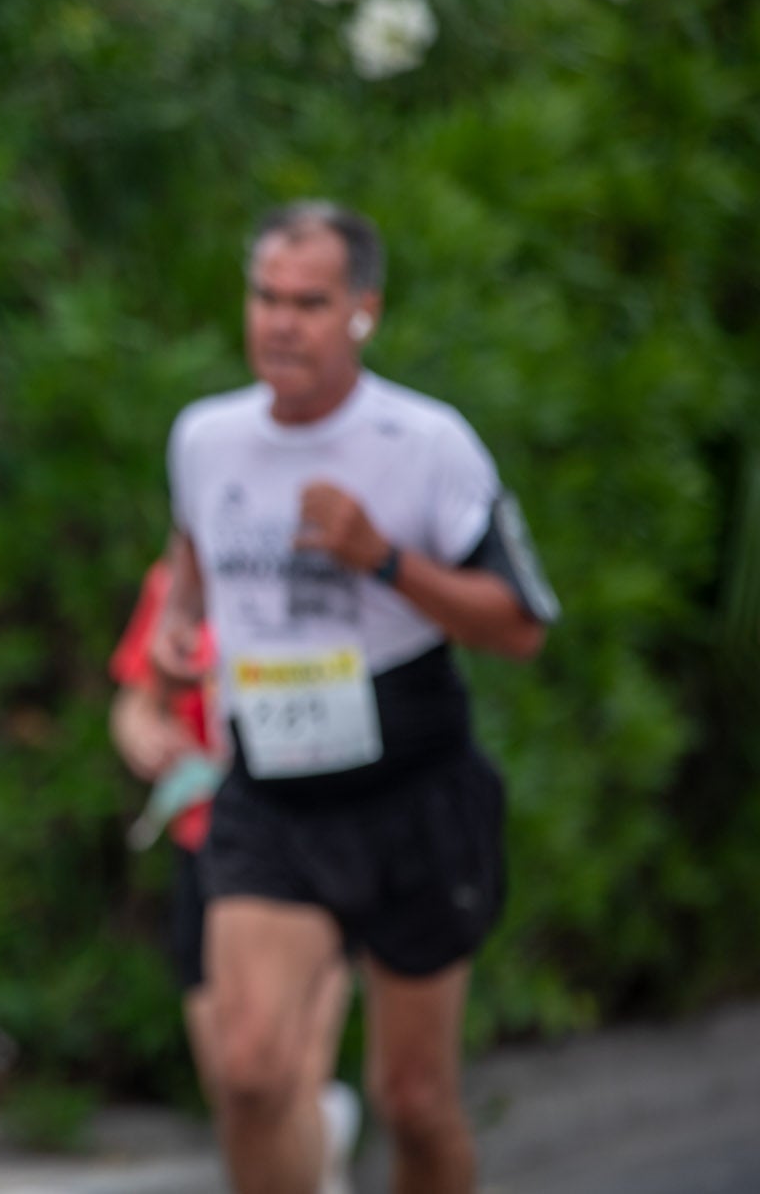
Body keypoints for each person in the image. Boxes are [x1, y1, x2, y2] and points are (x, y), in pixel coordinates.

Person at [153, 201, 557, 1194]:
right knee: (248, 1076)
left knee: (412, 1102)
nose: (279, 322)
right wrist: (179, 616)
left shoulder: (423, 441)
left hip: (410, 789)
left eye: (308, 302)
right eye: (263, 297)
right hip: (272, 795)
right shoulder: (205, 436)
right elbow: (192, 557)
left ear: (361, 312)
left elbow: (518, 624)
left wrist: (380, 557)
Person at [109, 562, 360, 1194]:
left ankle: (320, 1148)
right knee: (234, 1085)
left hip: (312, 844)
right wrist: (146, 735)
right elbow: (136, 703)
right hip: (209, 846)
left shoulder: (331, 573)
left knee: (290, 1075)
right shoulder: (179, 584)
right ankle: (322, 1146)